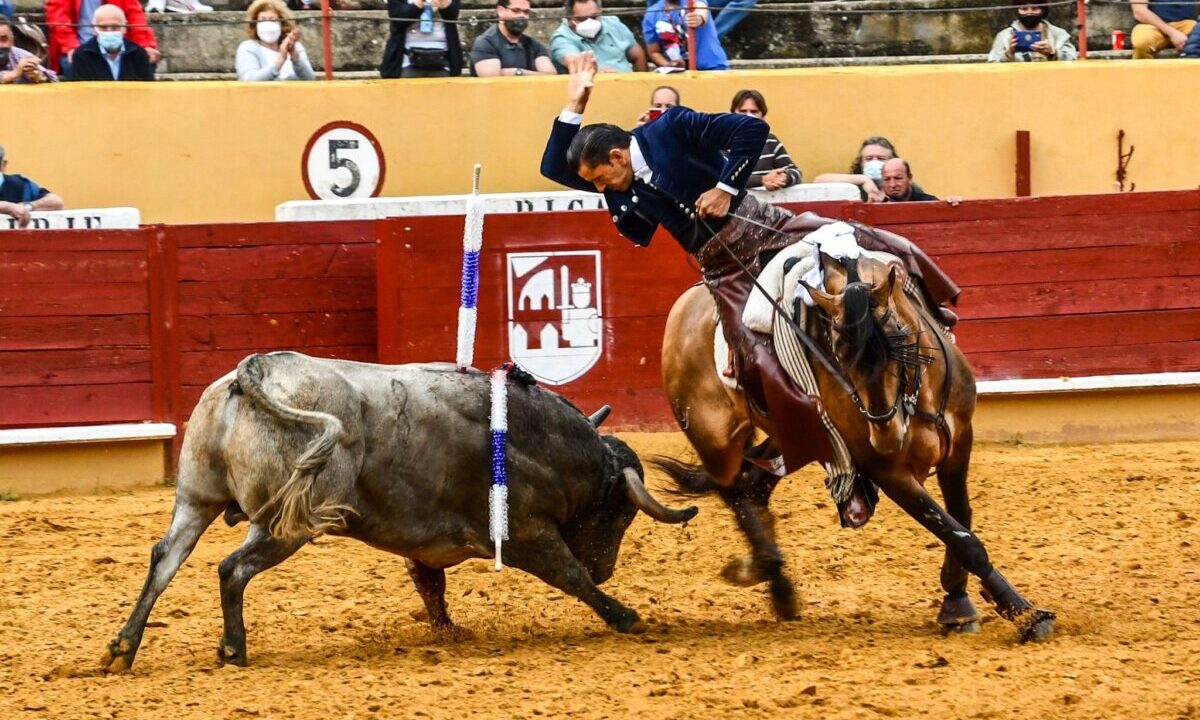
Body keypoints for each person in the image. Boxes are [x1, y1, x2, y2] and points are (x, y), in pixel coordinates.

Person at [540, 53, 960, 528]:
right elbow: (554, 167)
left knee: (880, 246)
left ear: (616, 156)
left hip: (765, 227)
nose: (601, 190)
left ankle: (939, 320)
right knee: (757, 361)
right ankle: (844, 470)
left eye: (601, 179)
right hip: (724, 269)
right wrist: (575, 102)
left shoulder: (670, 128)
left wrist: (723, 185)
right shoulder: (616, 179)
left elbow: (751, 132)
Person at [46, 0, 158, 74]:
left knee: (145, 61)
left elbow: (135, 15)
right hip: (79, 47)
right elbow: (59, 21)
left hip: (118, 46)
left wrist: (147, 45)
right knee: (73, 66)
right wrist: (71, 48)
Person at [730, 89, 801, 191]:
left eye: (754, 112)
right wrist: (762, 180)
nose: (748, 115)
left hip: (765, 205)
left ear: (763, 117)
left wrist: (783, 178)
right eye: (743, 111)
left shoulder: (770, 141)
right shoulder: (721, 143)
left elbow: (795, 171)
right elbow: (722, 179)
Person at [550, 0, 647, 73]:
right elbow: (574, 61)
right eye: (582, 19)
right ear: (569, 20)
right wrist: (597, 74)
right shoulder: (561, 38)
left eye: (594, 17)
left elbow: (638, 56)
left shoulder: (613, 23)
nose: (590, 22)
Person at [470, 0, 556, 76]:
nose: (522, 16)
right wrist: (535, 75)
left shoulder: (533, 44)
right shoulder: (486, 43)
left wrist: (517, 72)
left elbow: (550, 76)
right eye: (516, 11)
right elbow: (492, 78)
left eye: (526, 12)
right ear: (501, 11)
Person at [380, 0, 462, 78]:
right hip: (407, 60)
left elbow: (452, 14)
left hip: (442, 59)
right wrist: (419, 3)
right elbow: (398, 18)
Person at [236, 0, 315, 81]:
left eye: (272, 20)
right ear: (255, 24)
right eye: (262, 20)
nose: (267, 24)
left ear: (282, 24)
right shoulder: (248, 48)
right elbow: (248, 80)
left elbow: (310, 79)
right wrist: (279, 62)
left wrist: (295, 57)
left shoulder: (295, 46)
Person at [643, 0, 728, 70]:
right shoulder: (651, 14)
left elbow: (701, 9)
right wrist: (668, 64)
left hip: (713, 68)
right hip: (680, 74)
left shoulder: (692, 1)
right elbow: (654, 52)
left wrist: (699, 18)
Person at [812, 137, 898, 202]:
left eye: (881, 158)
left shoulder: (902, 186)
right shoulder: (855, 184)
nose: (874, 162)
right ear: (861, 163)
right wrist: (864, 179)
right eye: (869, 158)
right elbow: (818, 180)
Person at [987, 0, 1078, 62]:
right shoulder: (1004, 36)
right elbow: (991, 64)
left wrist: (1053, 52)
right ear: (1017, 10)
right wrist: (1009, 53)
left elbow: (1073, 60)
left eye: (1034, 9)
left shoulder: (1059, 34)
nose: (1029, 13)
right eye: (1024, 9)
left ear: (1043, 10)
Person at [0, 145, 66, 229]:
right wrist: (7, 207)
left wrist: (28, 206)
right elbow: (7, 207)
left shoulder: (19, 184)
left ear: (3, 164)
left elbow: (57, 203)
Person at [1130, 0, 1197, 58]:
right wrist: (1172, 33)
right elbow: (1139, 12)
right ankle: (1143, 72)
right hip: (1151, 25)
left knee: (1197, 39)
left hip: (1185, 24)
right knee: (1141, 43)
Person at [881, 159, 962, 205]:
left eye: (898, 178)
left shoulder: (929, 203)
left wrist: (954, 204)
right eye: (887, 179)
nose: (892, 184)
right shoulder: (877, 208)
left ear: (910, 178)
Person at [1, 17, 57, 84]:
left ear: (12, 40)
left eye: (4, 39)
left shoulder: (22, 55)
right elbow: (11, 75)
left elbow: (54, 78)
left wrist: (38, 76)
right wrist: (14, 73)